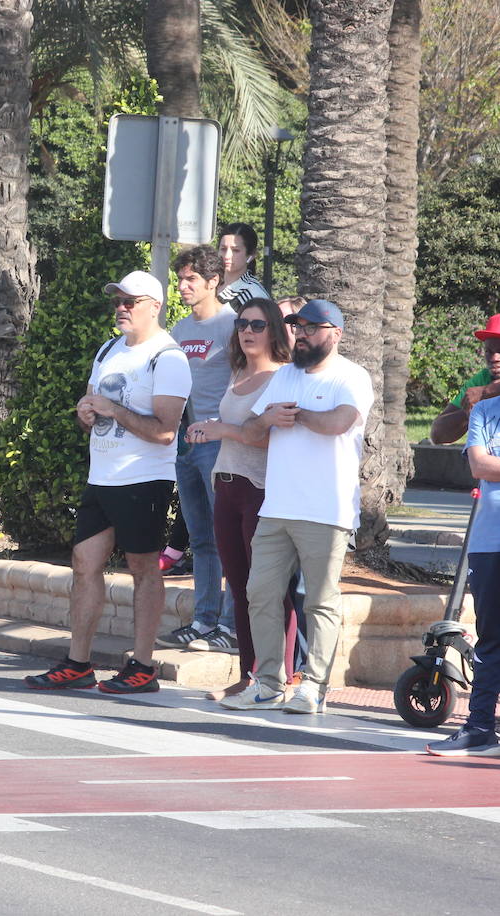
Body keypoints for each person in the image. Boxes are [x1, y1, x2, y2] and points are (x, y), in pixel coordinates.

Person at [23, 271, 191, 694]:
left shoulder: (168, 357)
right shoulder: (109, 348)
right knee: (84, 564)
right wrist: (87, 414)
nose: (121, 307)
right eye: (117, 300)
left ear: (154, 305)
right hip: (102, 477)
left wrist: (114, 410)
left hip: (144, 478)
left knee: (143, 569)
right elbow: (93, 409)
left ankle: (143, 666)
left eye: (129, 301)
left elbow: (166, 431)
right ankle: (78, 662)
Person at [220, 299, 372, 713]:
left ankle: (315, 686)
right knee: (259, 592)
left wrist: (298, 415)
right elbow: (254, 430)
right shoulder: (284, 375)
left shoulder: (351, 376)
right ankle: (268, 683)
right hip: (277, 506)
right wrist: (268, 420)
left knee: (320, 600)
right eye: (297, 326)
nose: (301, 333)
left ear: (335, 333)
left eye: (311, 327)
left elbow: (340, 422)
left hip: (326, 510)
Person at [185, 298, 297, 701]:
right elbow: (236, 426)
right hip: (226, 484)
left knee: (265, 587)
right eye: (242, 324)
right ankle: (249, 675)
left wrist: (222, 430)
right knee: (238, 586)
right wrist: (213, 426)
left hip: (260, 487)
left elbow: (268, 436)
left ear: (274, 331)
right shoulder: (237, 371)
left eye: (257, 324)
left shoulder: (282, 377)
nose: (247, 331)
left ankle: (278, 676)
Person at [157, 245, 237, 653]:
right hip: (187, 446)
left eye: (192, 280)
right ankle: (204, 619)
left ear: (213, 282)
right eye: (181, 279)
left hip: (221, 444)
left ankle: (229, 625)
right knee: (202, 539)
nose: (184, 286)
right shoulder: (180, 331)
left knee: (228, 538)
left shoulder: (234, 327)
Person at [426, 387, 500, 756]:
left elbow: (490, 464)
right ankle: (481, 729)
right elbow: (478, 465)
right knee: (491, 639)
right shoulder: (485, 410)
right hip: (489, 543)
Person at [429, 313, 500, 445]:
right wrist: (471, 410)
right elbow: (438, 435)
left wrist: (487, 392)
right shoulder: (482, 380)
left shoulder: (484, 388)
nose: (494, 358)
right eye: (489, 351)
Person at [216, 223, 270, 309]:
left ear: (251, 255)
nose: (227, 256)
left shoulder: (254, 295)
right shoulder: (209, 283)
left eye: (235, 250)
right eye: (223, 249)